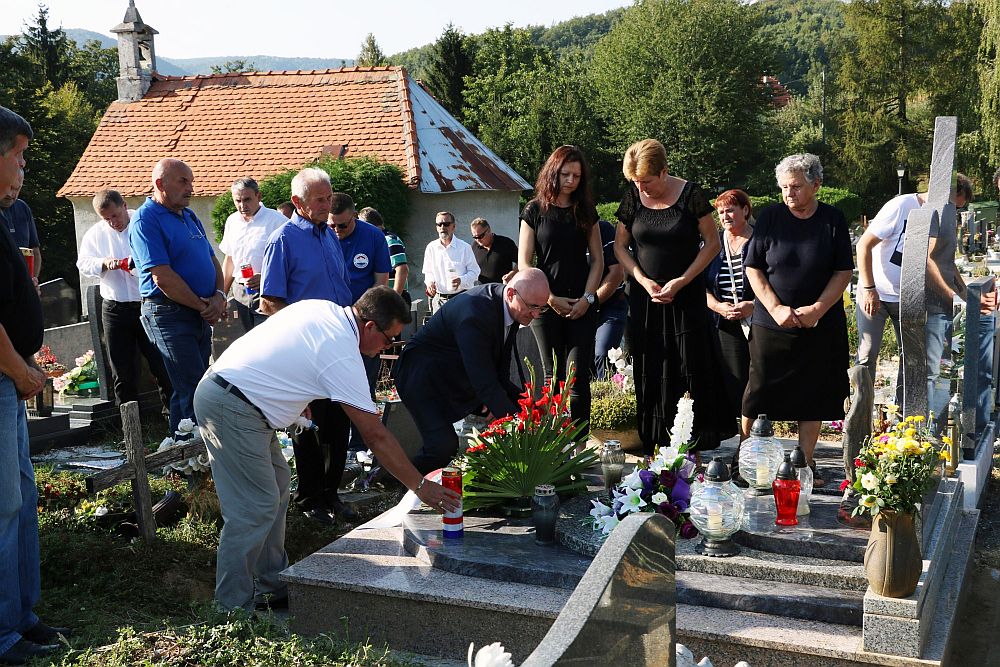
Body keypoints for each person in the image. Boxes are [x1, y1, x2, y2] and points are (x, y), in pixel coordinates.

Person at [194, 286, 460, 612]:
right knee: (254, 507)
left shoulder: (325, 309)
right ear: (370, 326)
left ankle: (272, 585)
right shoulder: (343, 351)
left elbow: (287, 348)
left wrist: (295, 395)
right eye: (389, 339)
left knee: (276, 489)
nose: (388, 348)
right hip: (233, 404)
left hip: (237, 396)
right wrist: (420, 486)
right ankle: (230, 609)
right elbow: (375, 436)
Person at [0, 105, 72, 666]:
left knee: (21, 500)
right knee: (3, 505)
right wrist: (20, 370)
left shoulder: (4, 217)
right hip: (3, 376)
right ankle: (3, 633)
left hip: (10, 376)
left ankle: (22, 614)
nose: (24, 169)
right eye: (19, 157)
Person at [614, 139, 734, 458]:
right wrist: (642, 280)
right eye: (636, 182)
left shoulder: (691, 195)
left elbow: (712, 243)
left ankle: (693, 449)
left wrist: (682, 281)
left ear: (664, 172)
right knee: (651, 368)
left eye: (646, 181)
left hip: (687, 298)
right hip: (646, 300)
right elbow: (620, 247)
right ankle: (655, 446)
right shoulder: (632, 197)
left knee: (689, 366)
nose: (641, 188)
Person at [743, 154, 854, 484]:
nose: (788, 194)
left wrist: (818, 309)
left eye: (795, 187)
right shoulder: (770, 217)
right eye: (783, 188)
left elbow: (843, 271)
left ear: (815, 185)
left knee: (813, 393)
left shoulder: (832, 219)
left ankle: (804, 463)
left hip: (819, 323)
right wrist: (776, 308)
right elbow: (754, 267)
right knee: (758, 391)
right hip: (771, 322)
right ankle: (747, 459)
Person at [259, 168, 355, 526]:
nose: (327, 205)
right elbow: (270, 299)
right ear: (298, 202)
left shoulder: (328, 235)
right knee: (308, 423)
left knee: (339, 421)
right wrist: (300, 337)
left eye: (329, 197)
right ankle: (310, 497)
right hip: (305, 348)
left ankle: (332, 492)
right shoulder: (283, 239)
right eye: (320, 199)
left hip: (338, 343)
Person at [394, 268, 551, 473]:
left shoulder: (512, 307)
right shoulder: (476, 313)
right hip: (420, 376)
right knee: (442, 445)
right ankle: (403, 483)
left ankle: (399, 477)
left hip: (450, 374)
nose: (536, 314)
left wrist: (531, 409)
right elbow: (485, 382)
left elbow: (500, 375)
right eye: (533, 306)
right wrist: (521, 425)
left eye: (542, 308)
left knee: (445, 444)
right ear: (512, 294)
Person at [856, 174, 972, 413]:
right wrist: (868, 289)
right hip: (877, 292)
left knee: (911, 358)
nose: (954, 212)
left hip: (909, 298)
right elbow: (863, 245)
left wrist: (970, 298)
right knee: (867, 356)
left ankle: (903, 417)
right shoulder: (902, 206)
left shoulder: (942, 220)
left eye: (958, 209)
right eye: (955, 206)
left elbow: (946, 263)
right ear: (945, 193)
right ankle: (860, 416)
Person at [129, 158, 226, 434]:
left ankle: (184, 448)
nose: (190, 188)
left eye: (191, 181)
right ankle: (192, 450)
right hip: (169, 313)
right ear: (160, 184)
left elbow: (212, 260)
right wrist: (204, 306)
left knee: (196, 385)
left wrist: (219, 296)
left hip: (198, 311)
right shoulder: (146, 220)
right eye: (183, 181)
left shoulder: (189, 215)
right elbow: (162, 277)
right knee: (193, 387)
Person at [519, 146, 603, 436]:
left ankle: (579, 447)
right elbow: (524, 263)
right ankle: (549, 444)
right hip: (545, 304)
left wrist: (588, 298)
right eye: (565, 174)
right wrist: (549, 298)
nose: (571, 180)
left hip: (582, 303)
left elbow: (598, 261)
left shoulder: (586, 211)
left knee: (577, 378)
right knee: (550, 377)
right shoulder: (534, 210)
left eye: (577, 176)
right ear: (552, 173)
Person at [77, 189, 172, 415]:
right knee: (121, 370)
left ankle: (174, 418)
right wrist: (103, 263)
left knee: (161, 363)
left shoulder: (144, 223)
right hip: (115, 307)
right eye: (106, 219)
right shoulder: (96, 233)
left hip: (147, 303)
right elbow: (83, 263)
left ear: (124, 206)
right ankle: (129, 425)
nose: (113, 222)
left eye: (115, 215)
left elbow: (164, 256)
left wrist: (136, 264)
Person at [705, 189, 755, 442]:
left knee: (756, 381)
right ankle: (741, 438)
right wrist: (718, 306)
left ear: (745, 210)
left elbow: (777, 283)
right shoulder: (713, 244)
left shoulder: (761, 241)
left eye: (730, 210)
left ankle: (753, 438)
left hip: (758, 321)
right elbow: (700, 286)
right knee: (734, 382)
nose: (725, 216)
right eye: (721, 212)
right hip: (724, 322)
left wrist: (752, 305)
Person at [220, 178, 287, 333]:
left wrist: (266, 277)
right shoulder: (232, 221)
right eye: (238, 201)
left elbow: (291, 261)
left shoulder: (278, 222)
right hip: (240, 292)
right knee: (246, 341)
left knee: (267, 339)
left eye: (247, 199)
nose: (242, 205)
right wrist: (222, 295)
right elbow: (229, 259)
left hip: (269, 292)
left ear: (259, 196)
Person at [422, 211, 479, 314]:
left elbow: (475, 272)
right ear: (436, 227)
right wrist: (430, 283)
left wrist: (461, 280)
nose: (442, 227)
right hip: (439, 300)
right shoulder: (431, 247)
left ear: (453, 226)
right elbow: (428, 272)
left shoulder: (464, 247)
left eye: (446, 224)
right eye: (439, 224)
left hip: (461, 298)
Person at [593, 219, 627, 380]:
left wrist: (590, 303)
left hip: (610, 305)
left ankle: (606, 389)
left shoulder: (604, 229)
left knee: (603, 353)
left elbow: (617, 273)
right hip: (578, 307)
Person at [359, 206, 410, 306]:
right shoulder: (376, 240)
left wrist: (394, 299)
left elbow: (402, 269)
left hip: (394, 298)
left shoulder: (389, 240)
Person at [0, 186, 40, 280]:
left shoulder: (22, 207)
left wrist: (32, 282)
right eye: (7, 187)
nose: (10, 194)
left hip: (21, 281)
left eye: (16, 189)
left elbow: (35, 251)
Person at [470, 217, 517, 284]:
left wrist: (512, 274)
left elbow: (521, 261)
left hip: (502, 287)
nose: (478, 240)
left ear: (489, 230)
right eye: (475, 237)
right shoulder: (474, 246)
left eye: (480, 236)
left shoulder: (506, 243)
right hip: (482, 288)